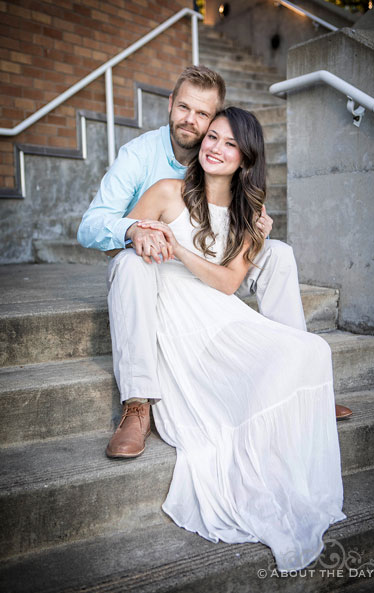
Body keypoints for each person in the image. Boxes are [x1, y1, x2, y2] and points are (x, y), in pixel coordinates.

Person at [110, 106, 347, 572]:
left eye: (229, 143)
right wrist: (141, 236)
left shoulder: (248, 214)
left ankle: (307, 393)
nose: (215, 148)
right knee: (128, 264)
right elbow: (126, 240)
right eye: (211, 137)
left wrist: (178, 247)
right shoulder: (166, 191)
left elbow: (226, 285)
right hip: (171, 314)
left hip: (217, 311)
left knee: (312, 349)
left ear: (245, 158)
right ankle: (138, 401)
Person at [77, 65, 351, 460]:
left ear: (215, 121)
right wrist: (134, 230)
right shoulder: (141, 158)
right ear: (170, 105)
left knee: (279, 253)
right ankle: (138, 403)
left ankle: (298, 380)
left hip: (213, 264)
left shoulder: (228, 169)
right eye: (184, 107)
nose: (191, 120)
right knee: (129, 265)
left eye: (203, 114)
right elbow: (92, 228)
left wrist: (259, 228)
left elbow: (233, 240)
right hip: (157, 267)